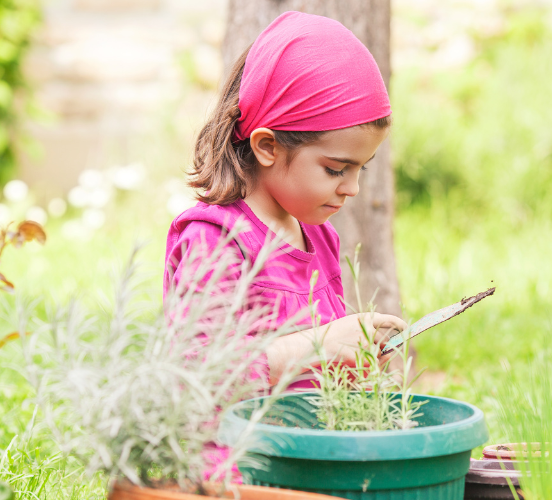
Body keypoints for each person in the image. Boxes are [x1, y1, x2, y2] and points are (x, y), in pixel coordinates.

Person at [164, 12, 407, 396]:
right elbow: (196, 373)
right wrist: (320, 344)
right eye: (335, 170)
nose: (353, 188)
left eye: (361, 168)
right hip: (243, 454)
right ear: (267, 146)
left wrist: (350, 359)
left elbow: (310, 378)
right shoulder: (218, 241)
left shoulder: (319, 237)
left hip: (310, 447)